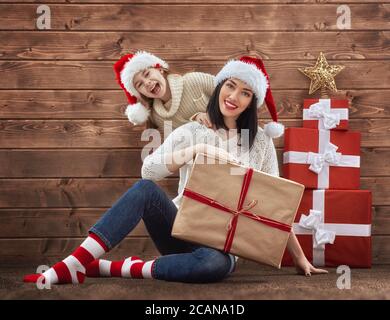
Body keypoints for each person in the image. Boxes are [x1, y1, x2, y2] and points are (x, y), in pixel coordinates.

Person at [23, 56, 327, 286]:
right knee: (144, 189)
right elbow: (149, 170)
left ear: (252, 102)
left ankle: (114, 268)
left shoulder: (259, 142)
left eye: (245, 92)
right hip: (180, 227)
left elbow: (276, 203)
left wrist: (300, 259)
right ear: (219, 87)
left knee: (214, 265)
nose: (234, 97)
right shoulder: (193, 131)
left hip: (222, 247)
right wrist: (194, 151)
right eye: (230, 86)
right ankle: (74, 263)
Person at [114, 50, 213, 132]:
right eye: (140, 84)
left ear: (160, 69)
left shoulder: (194, 80)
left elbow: (227, 94)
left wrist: (208, 115)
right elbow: (178, 142)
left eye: (147, 74)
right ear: (140, 93)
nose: (147, 83)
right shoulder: (158, 117)